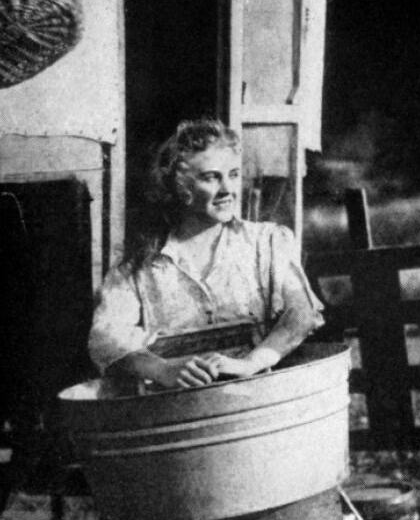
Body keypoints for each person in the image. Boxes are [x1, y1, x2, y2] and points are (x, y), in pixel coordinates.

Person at [88, 118, 323, 391]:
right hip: (177, 408)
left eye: (233, 174)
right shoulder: (139, 265)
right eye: (211, 177)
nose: (227, 190)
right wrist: (163, 370)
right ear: (179, 185)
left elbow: (301, 314)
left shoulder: (267, 243)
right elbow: (106, 338)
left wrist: (250, 363)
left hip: (258, 401)